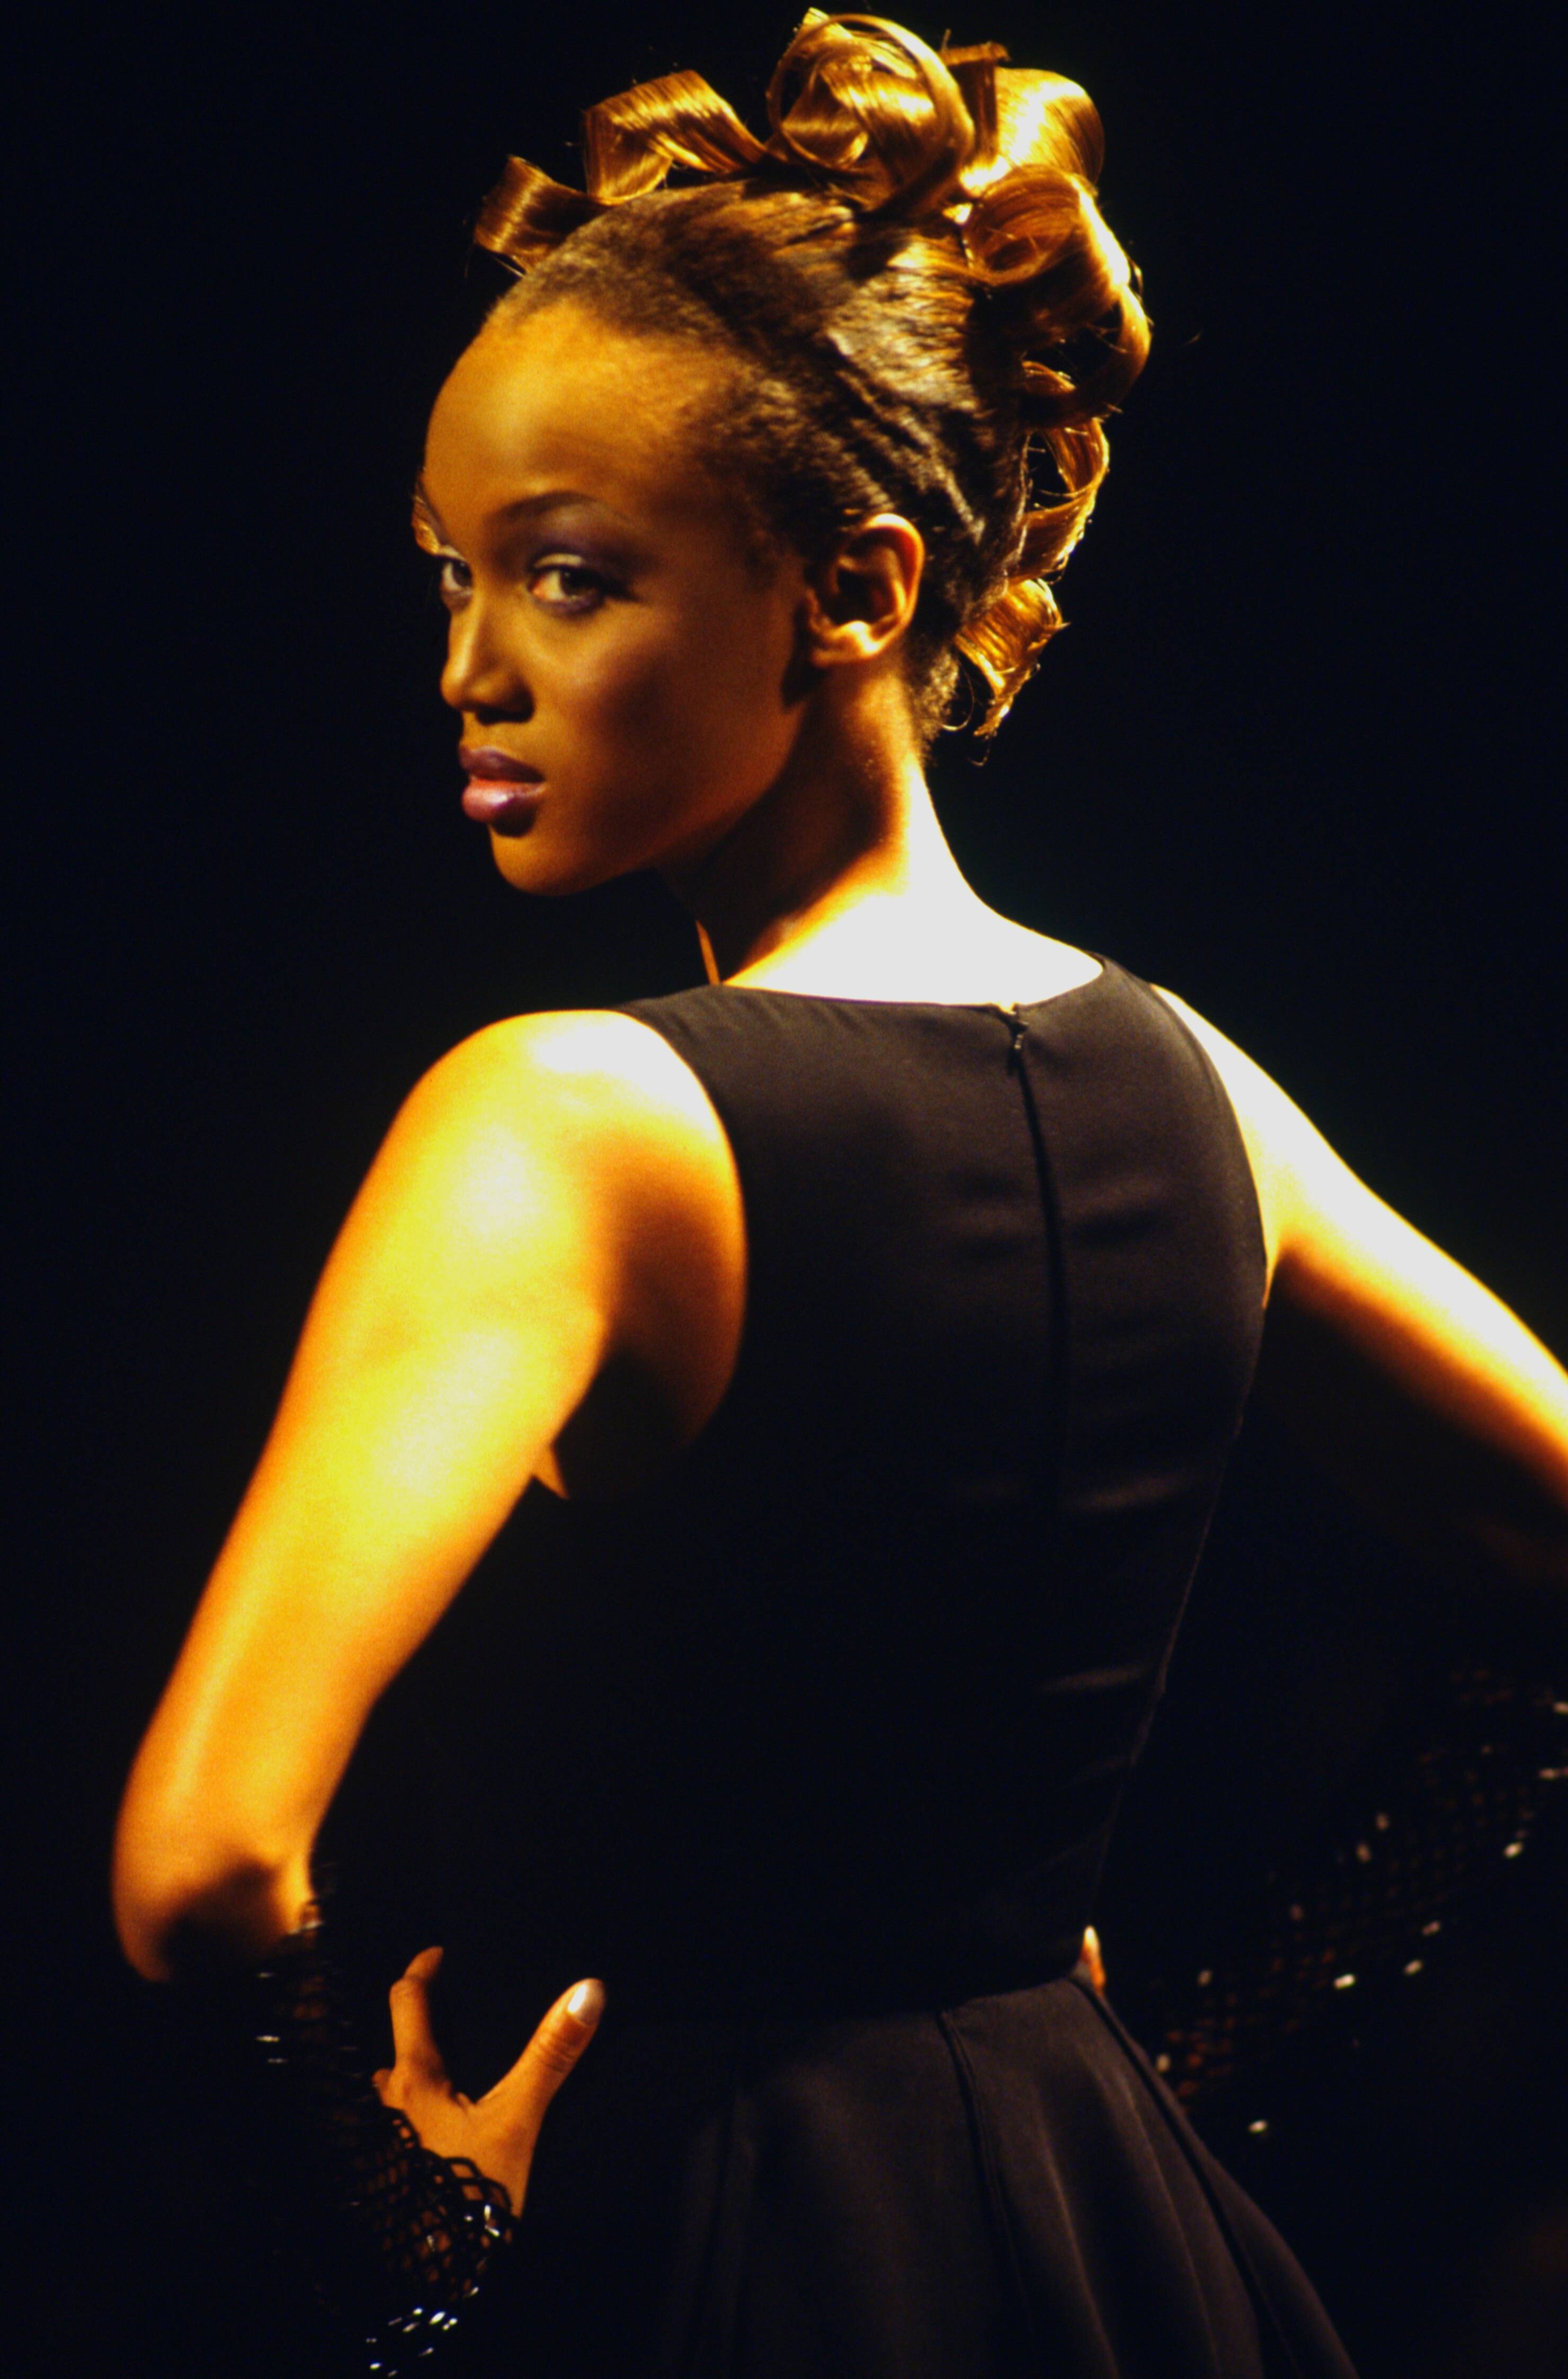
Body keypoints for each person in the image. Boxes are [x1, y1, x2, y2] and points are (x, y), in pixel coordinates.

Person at [113, 16, 1568, 2375]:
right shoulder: (1196, 1083)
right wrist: (1161, 2072)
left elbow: (200, 1868)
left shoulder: (568, 1121)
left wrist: (426, 2224)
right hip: (1134, 2264)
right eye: (449, 576)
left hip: (711, 2255)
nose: (470, 670)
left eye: (567, 577)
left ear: (856, 585)